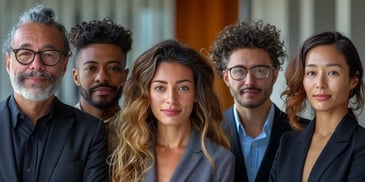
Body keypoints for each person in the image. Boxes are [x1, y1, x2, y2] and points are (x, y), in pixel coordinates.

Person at [0, 4, 108, 181]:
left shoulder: (90, 132)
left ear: (64, 64)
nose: (37, 64)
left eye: (49, 54)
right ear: (8, 63)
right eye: (25, 53)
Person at [108, 39, 235, 181]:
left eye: (183, 88)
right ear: (146, 94)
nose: (171, 99)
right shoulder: (127, 154)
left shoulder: (219, 160)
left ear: (196, 94)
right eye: (160, 88)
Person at [210, 20, 305, 182]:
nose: (249, 81)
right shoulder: (208, 133)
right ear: (226, 77)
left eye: (260, 70)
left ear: (274, 75)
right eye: (239, 71)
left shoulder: (304, 132)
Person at [270, 31, 365, 181]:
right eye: (312, 73)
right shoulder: (287, 143)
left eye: (333, 73)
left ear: (353, 80)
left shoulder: (361, 145)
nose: (320, 84)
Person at [69, 18, 132, 122]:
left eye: (113, 68)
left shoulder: (139, 132)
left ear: (125, 76)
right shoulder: (57, 130)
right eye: (91, 68)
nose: (102, 77)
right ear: (76, 77)